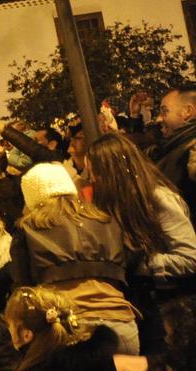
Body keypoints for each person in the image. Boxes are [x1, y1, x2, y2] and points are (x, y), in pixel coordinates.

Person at [86, 132, 196, 355]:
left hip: (171, 305)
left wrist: (139, 263)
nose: (92, 180)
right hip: (142, 303)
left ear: (111, 172)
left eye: (94, 173)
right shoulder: (115, 201)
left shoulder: (157, 198)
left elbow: (190, 258)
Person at [12, 162, 138, 354]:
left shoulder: (28, 228)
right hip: (122, 323)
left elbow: (23, 289)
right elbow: (132, 266)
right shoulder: (106, 219)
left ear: (30, 197)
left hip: (70, 328)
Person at [150, 84, 196, 212]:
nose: (159, 118)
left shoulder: (191, 150)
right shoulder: (174, 146)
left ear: (187, 111)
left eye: (165, 111)